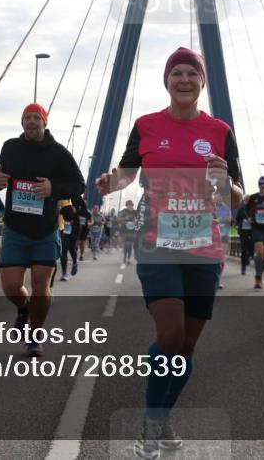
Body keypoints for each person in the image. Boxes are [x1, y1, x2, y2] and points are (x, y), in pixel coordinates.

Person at [96, 47, 243, 460]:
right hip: (157, 243)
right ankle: (151, 421)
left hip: (205, 246)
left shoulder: (220, 131)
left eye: (191, 74)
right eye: (176, 73)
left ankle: (161, 417)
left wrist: (224, 181)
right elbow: (127, 171)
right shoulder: (145, 126)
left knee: (186, 347)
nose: (183, 79)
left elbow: (237, 196)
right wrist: (112, 181)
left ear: (201, 82)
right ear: (166, 81)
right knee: (171, 334)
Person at [0, 103, 85, 358]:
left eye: (36, 118)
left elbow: (79, 184)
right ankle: (24, 308)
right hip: (15, 228)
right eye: (27, 118)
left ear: (45, 122)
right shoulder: (10, 147)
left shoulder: (58, 153)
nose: (31, 122)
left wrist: (53, 189)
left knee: (40, 285)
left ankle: (34, 337)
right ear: (22, 123)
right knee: (11, 286)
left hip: (45, 230)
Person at [59, 202, 79, 281]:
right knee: (63, 251)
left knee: (71, 249)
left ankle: (75, 262)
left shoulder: (76, 200)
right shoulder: (58, 196)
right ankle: (64, 273)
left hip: (73, 228)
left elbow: (84, 211)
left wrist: (75, 210)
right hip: (62, 228)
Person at [117, 199, 139, 265]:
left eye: (130, 205)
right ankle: (125, 257)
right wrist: (124, 218)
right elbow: (118, 218)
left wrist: (136, 221)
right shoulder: (123, 211)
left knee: (130, 245)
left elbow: (140, 220)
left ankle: (128, 258)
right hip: (124, 230)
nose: (129, 207)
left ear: (132, 205)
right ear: (126, 206)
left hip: (132, 230)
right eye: (128, 205)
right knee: (126, 244)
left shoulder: (136, 212)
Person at [234, 201, 253, 275]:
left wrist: (252, 220)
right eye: (246, 199)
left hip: (252, 232)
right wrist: (241, 222)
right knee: (244, 250)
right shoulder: (241, 208)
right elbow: (237, 219)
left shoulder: (253, 208)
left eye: (249, 199)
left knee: (251, 248)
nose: (248, 201)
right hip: (243, 232)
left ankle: (249, 256)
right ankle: (243, 268)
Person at [76, 196, 93, 261]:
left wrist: (90, 223)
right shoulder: (77, 211)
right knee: (76, 243)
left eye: (84, 203)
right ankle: (75, 254)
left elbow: (92, 220)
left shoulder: (87, 212)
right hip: (77, 229)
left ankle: (81, 255)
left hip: (84, 229)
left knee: (82, 244)